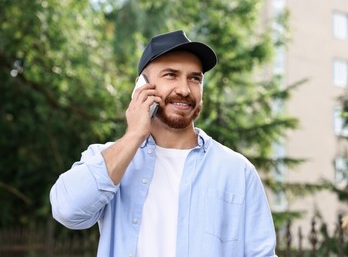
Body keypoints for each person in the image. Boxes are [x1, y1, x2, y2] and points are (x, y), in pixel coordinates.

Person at [50, 30, 277, 257]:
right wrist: (134, 135)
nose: (185, 89)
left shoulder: (238, 171)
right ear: (141, 86)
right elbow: (67, 211)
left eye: (194, 78)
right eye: (171, 75)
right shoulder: (108, 159)